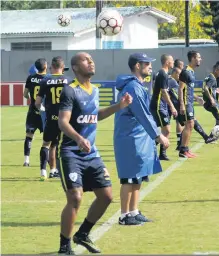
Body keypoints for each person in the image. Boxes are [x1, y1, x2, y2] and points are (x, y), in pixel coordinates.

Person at [57, 52, 132, 254]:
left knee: (106, 196)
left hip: (91, 153)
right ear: (74, 67)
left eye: (91, 60)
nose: (91, 62)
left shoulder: (95, 90)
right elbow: (63, 121)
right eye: (85, 60)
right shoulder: (69, 91)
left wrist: (119, 106)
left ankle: (83, 234)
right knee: (75, 198)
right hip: (71, 152)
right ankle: (65, 245)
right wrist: (79, 139)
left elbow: (95, 115)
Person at [114, 53, 170, 226]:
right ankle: (124, 215)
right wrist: (158, 135)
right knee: (129, 177)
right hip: (130, 137)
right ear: (137, 66)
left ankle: (134, 211)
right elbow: (142, 114)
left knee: (138, 176)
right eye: (147, 63)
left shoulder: (138, 86)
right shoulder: (132, 87)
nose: (150, 66)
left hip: (139, 137)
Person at [35, 56, 70, 180]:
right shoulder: (69, 81)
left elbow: (37, 102)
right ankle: (62, 171)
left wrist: (42, 109)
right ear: (61, 67)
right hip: (65, 118)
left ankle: (45, 171)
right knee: (64, 145)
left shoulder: (45, 80)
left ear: (52, 66)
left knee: (48, 144)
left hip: (51, 117)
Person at [150, 54, 178, 160]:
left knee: (165, 130)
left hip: (160, 105)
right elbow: (164, 92)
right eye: (172, 60)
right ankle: (150, 150)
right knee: (166, 130)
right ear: (167, 62)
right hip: (158, 105)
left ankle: (161, 153)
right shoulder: (163, 73)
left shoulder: (162, 73)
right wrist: (172, 107)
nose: (173, 62)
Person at [23, 58, 47, 168]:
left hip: (33, 110)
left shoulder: (30, 78)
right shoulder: (47, 79)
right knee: (48, 139)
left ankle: (26, 160)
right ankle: (48, 163)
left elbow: (25, 94)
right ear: (45, 66)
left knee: (29, 135)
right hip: (44, 112)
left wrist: (32, 100)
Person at [177, 50, 200, 158]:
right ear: (193, 58)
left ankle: (186, 149)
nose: (200, 59)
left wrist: (197, 98)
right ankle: (183, 150)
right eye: (199, 57)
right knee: (189, 124)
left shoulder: (191, 71)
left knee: (190, 125)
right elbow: (180, 89)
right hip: (186, 103)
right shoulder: (185, 71)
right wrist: (181, 104)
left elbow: (189, 89)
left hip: (190, 102)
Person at [203, 64, 219, 129]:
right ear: (216, 70)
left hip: (207, 102)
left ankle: (214, 136)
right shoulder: (212, 79)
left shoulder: (208, 76)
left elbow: (209, 88)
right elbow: (206, 88)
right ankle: (212, 136)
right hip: (212, 102)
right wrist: (211, 99)